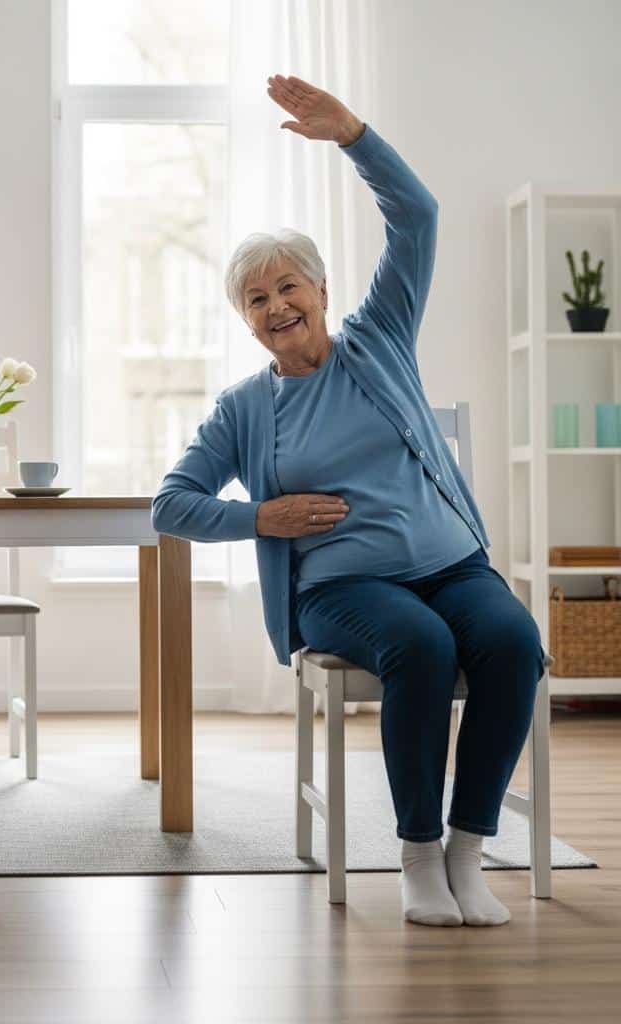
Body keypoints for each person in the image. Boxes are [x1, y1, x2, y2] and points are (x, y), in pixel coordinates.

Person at [151, 75, 547, 927]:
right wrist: (264, 517)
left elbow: (419, 218)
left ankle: (466, 850)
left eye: (289, 286)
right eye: (256, 299)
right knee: (420, 646)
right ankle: (415, 856)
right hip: (341, 591)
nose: (276, 306)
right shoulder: (244, 408)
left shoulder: (381, 338)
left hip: (450, 561)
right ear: (246, 321)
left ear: (323, 291)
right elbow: (171, 505)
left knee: (514, 642)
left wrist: (354, 136)